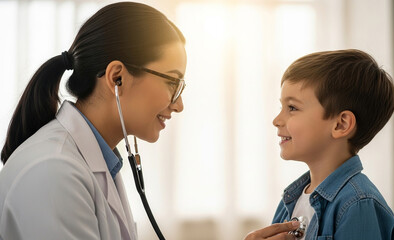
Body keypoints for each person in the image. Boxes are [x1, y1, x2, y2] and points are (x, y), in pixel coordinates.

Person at [0, 2, 298, 239]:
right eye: (172, 83)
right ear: (117, 78)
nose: (178, 105)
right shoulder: (55, 172)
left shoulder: (93, 161)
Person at [272, 49, 394, 239]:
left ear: (341, 124)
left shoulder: (358, 205)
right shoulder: (291, 200)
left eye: (292, 108)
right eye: (281, 107)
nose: (276, 120)